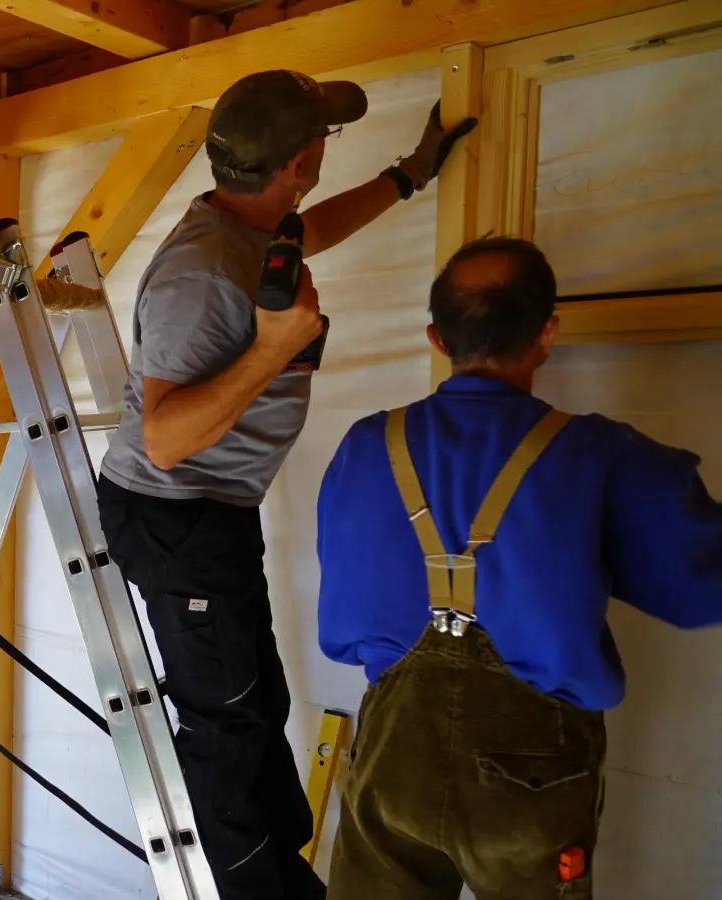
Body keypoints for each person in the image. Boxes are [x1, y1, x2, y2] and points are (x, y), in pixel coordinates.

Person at [93, 70, 476, 898]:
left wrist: (410, 174)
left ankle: (282, 871)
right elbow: (162, 440)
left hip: (213, 514)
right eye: (322, 144)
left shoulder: (252, 227)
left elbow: (312, 230)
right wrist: (273, 348)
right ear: (299, 163)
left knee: (255, 701)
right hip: (175, 517)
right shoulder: (201, 273)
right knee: (227, 725)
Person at [317, 238, 722, 897]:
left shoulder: (366, 445)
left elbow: (345, 601)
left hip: (395, 760)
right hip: (532, 781)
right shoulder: (600, 455)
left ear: (435, 338)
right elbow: (704, 584)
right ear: (547, 333)